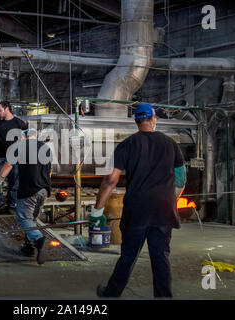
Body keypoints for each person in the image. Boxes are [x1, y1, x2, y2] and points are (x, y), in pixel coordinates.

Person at [90, 103, 186, 298]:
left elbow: (111, 180)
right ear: (153, 119)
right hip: (163, 211)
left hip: (137, 211)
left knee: (128, 256)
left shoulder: (127, 145)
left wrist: (97, 211)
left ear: (136, 121)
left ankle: (111, 293)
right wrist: (169, 200)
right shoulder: (171, 144)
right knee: (160, 257)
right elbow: (181, 179)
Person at [0, 128, 52, 265]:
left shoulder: (21, 147)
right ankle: (29, 247)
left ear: (24, 136)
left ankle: (39, 239)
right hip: (44, 190)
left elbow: (8, 165)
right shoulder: (46, 148)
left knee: (23, 217)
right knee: (32, 220)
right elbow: (49, 172)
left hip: (29, 190)